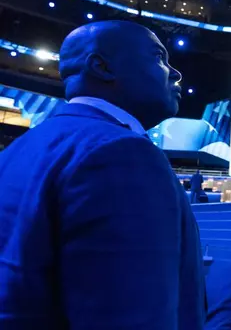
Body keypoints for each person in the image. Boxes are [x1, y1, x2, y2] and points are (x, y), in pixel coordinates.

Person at [0, 21, 205, 329]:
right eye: (158, 57)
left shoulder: (15, 152)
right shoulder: (123, 153)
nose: (174, 73)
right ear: (101, 66)